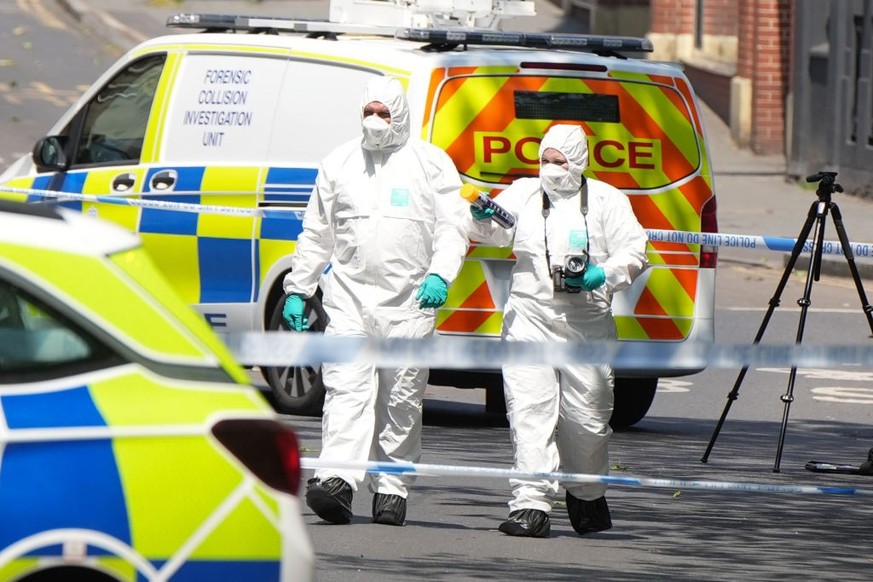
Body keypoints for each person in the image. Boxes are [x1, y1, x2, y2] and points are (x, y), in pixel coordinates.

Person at [281, 76, 470, 527]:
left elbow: (453, 228)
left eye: (384, 113)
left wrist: (441, 274)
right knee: (347, 390)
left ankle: (391, 487)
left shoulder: (431, 164)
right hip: (349, 298)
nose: (376, 121)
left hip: (409, 302)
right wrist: (298, 288)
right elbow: (317, 232)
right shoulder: (340, 163)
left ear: (401, 115)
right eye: (369, 112)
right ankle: (336, 483)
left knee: (400, 397)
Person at [465, 124, 648, 538]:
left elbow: (634, 250)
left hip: (586, 324)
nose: (551, 169)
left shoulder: (606, 200)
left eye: (559, 161)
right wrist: (480, 218)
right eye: (545, 159)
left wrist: (604, 273)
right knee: (530, 412)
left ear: (579, 161)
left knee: (587, 419)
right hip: (529, 318)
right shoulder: (524, 194)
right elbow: (492, 231)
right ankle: (530, 505)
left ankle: (586, 493)